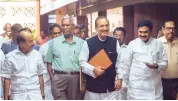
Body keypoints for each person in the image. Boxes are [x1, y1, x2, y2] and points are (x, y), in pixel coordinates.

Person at [79, 16, 122, 100]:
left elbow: (120, 63)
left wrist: (120, 78)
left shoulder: (114, 42)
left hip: (111, 89)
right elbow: (82, 62)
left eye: (107, 25)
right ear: (96, 28)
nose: (105, 28)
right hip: (93, 90)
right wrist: (94, 69)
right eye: (101, 26)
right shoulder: (88, 43)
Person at [123, 20, 168, 100]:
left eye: (145, 32)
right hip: (136, 86)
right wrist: (124, 82)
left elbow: (164, 62)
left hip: (153, 86)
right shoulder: (132, 44)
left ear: (151, 31)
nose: (142, 34)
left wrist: (157, 66)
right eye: (140, 32)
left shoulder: (157, 44)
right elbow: (126, 65)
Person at [0, 28, 46, 100]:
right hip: (18, 95)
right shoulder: (10, 57)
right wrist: (6, 98)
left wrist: (42, 94)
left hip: (35, 94)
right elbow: (7, 79)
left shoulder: (37, 54)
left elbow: (40, 75)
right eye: (30, 41)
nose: (33, 43)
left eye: (33, 40)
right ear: (21, 44)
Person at [45, 15, 84, 100]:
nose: (65, 27)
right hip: (58, 78)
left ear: (72, 26)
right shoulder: (53, 43)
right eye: (63, 25)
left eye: (67, 25)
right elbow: (49, 64)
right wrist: (53, 79)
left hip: (75, 78)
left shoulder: (81, 43)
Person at [39, 23, 62, 100]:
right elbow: (40, 66)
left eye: (59, 33)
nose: (57, 35)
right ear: (50, 34)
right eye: (55, 33)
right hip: (48, 83)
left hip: (63, 82)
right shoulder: (43, 48)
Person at [157, 20, 178, 100]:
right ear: (163, 29)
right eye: (168, 28)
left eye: (173, 28)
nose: (171, 31)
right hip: (160, 82)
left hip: (176, 82)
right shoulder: (157, 43)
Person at [113, 27, 127, 100]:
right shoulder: (108, 49)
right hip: (111, 82)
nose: (118, 37)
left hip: (124, 83)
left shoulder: (128, 49)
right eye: (116, 35)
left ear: (124, 37)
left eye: (121, 35)